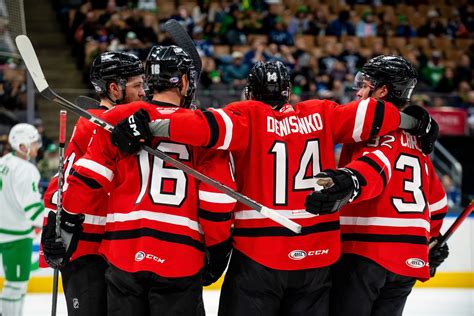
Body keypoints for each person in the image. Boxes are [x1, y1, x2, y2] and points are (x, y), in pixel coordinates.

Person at [112, 60, 436, 315]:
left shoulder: (246, 115)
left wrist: (149, 124)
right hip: (317, 258)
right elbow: (376, 114)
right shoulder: (322, 113)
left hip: (259, 257)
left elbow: (204, 128)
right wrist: (417, 120)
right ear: (288, 92)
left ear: (250, 92)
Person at [59, 45, 236, 315]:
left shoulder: (117, 119)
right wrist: (218, 250)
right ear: (185, 81)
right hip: (180, 256)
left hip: (122, 255)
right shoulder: (205, 128)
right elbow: (217, 199)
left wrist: (67, 220)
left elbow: (86, 179)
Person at [305, 55, 449, 316]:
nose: (358, 91)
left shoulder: (375, 128)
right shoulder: (416, 141)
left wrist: (352, 181)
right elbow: (437, 202)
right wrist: (433, 239)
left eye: (365, 85)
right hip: (407, 259)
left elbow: (376, 167)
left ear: (382, 90)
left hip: (367, 252)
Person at [39, 51, 145, 316]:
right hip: (86, 251)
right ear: (114, 88)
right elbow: (62, 185)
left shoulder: (124, 127)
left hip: (112, 250)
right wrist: (52, 227)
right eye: (137, 85)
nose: (144, 92)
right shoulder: (93, 126)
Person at [0, 123, 44, 316]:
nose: (38, 147)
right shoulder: (26, 171)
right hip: (17, 236)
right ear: (23, 146)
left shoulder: (4, 161)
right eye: (34, 143)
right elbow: (33, 211)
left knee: (13, 284)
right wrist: (51, 223)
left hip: (4, 230)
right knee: (16, 285)